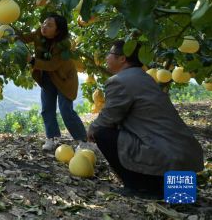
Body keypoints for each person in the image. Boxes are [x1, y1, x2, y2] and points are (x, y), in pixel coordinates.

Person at [87, 40, 204, 199]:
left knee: (101, 133)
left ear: (122, 59)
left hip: (162, 156)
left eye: (110, 54)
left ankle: (139, 187)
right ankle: (171, 191)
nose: (106, 57)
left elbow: (108, 117)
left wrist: (91, 129)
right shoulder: (145, 78)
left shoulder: (119, 81)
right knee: (180, 200)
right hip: (182, 157)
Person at [19, 13, 87, 151]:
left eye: (49, 25)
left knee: (65, 110)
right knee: (47, 109)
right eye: (44, 23)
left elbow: (52, 65)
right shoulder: (39, 33)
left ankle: (83, 141)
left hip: (64, 79)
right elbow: (25, 37)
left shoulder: (63, 46)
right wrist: (10, 32)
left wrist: (32, 60)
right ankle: (52, 138)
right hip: (46, 78)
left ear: (58, 31)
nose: (44, 26)